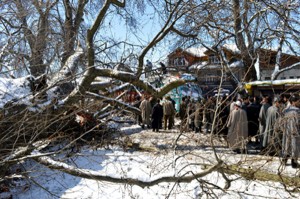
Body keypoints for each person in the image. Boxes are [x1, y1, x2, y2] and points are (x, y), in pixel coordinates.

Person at [281, 95, 300, 168]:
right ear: (293, 102)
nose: (299, 103)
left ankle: (284, 160)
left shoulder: (285, 110)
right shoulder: (298, 111)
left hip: (287, 131)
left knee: (286, 145)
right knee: (294, 146)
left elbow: (281, 121)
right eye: (298, 101)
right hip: (295, 131)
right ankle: (294, 163)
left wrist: (284, 129)